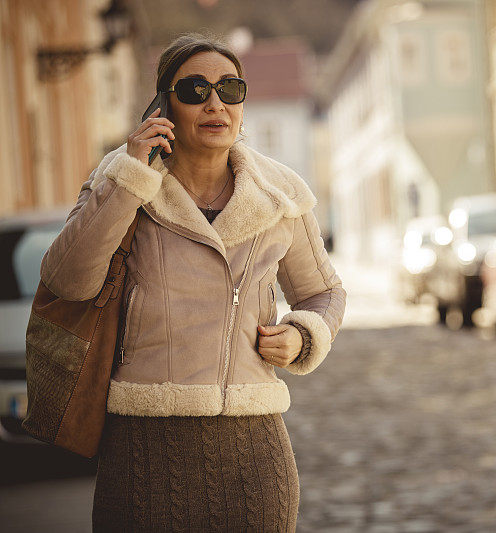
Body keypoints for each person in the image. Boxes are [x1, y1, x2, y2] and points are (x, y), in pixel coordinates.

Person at [39, 32, 346, 532]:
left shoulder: (282, 196)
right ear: (164, 104)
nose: (215, 103)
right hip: (142, 453)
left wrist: (304, 332)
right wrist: (130, 178)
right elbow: (67, 280)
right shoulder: (123, 183)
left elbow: (325, 291)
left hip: (255, 457)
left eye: (230, 88)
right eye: (194, 90)